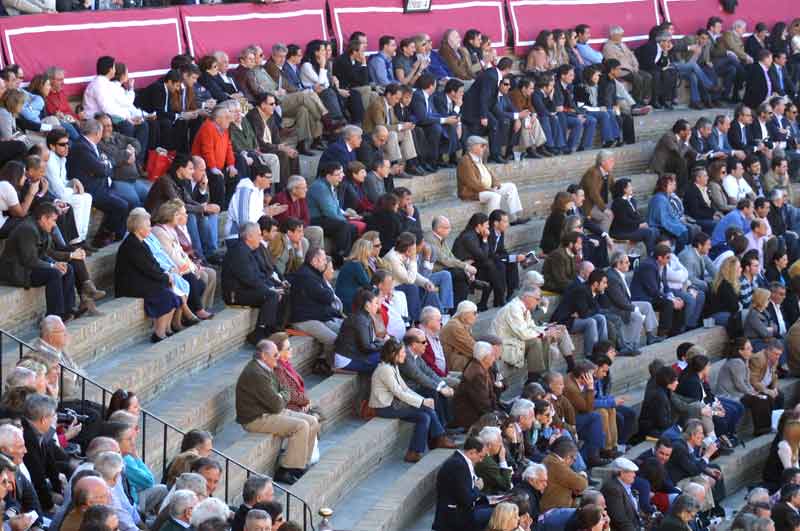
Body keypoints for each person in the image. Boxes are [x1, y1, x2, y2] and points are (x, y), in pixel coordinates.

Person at [235, 339, 319, 485]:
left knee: (312, 421)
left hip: (268, 411)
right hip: (255, 418)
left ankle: (302, 463)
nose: (278, 357)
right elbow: (277, 404)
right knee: (301, 426)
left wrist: (281, 395)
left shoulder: (266, 367)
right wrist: (282, 396)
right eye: (275, 355)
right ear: (263, 355)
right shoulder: (256, 373)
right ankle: (287, 470)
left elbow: (284, 391)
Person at [0, 201, 89, 320]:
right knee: (54, 274)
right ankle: (55, 315)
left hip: (29, 267)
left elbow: (43, 254)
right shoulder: (27, 229)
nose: (54, 224)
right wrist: (52, 267)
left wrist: (55, 263)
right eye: (53, 220)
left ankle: (69, 309)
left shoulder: (43, 228)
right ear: (43, 218)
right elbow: (29, 260)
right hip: (18, 271)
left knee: (68, 268)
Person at [370, 338, 454, 463]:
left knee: (424, 417)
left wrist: (422, 400)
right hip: (385, 408)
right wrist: (422, 403)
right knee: (427, 410)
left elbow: (405, 388)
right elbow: (399, 392)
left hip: (394, 404)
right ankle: (439, 437)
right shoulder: (385, 370)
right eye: (403, 353)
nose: (405, 355)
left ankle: (414, 452)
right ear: (394, 354)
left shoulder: (393, 366)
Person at [67, 118, 129, 248]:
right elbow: (101, 169)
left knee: (127, 201)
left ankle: (114, 235)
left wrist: (106, 165)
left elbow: (104, 165)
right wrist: (108, 165)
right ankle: (105, 237)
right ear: (97, 133)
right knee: (121, 205)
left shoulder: (88, 144)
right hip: (89, 188)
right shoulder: (82, 146)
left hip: (99, 184)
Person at [221, 221, 285, 345]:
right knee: (271, 295)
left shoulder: (248, 250)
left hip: (245, 289)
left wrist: (272, 286)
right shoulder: (239, 252)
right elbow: (249, 279)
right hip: (235, 294)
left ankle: (274, 328)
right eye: (259, 235)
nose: (261, 238)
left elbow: (259, 275)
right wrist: (269, 290)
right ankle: (259, 333)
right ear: (249, 237)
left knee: (281, 291)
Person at [151, 199, 216, 319]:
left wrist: (194, 266)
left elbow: (182, 254)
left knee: (210, 273)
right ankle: (197, 310)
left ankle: (204, 307)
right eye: (180, 213)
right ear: (170, 215)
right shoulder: (160, 232)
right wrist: (192, 269)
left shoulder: (171, 229)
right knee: (200, 276)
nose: (185, 215)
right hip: (171, 269)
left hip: (181, 266)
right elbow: (172, 257)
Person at [491, 287, 574, 378]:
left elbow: (532, 327)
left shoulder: (524, 308)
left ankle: (571, 365)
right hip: (508, 344)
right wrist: (545, 333)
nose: (538, 302)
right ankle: (534, 378)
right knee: (536, 340)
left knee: (559, 329)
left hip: (519, 340)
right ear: (526, 297)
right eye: (537, 299)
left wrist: (546, 328)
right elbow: (524, 334)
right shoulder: (513, 308)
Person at [286, 247, 344, 362]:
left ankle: (324, 360)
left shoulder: (314, 272)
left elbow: (327, 294)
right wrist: (327, 294)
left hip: (316, 316)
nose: (325, 263)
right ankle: (330, 365)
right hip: (303, 320)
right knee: (333, 339)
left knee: (344, 331)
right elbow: (328, 297)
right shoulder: (306, 276)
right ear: (314, 261)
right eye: (323, 260)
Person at [457, 136, 527, 224]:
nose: (484, 148)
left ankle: (514, 218)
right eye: (482, 146)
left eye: (485, 146)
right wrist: (488, 189)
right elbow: (472, 183)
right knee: (495, 196)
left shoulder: (479, 158)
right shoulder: (465, 161)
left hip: (486, 189)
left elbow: (488, 174)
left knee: (510, 186)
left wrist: (495, 183)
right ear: (473, 147)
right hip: (473, 192)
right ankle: (490, 224)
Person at [715, 337, 774, 437]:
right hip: (730, 395)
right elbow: (740, 384)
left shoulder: (742, 361)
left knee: (766, 397)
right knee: (758, 399)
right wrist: (753, 393)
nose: (752, 350)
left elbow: (745, 382)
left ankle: (767, 426)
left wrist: (754, 392)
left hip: (739, 393)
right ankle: (761, 429)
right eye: (748, 348)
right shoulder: (736, 362)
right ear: (740, 351)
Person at [432, 436, 493, 531]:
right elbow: (467, 499)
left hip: (462, 511)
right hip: (454, 517)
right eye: (480, 456)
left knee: (497, 506)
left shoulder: (462, 461)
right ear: (472, 452)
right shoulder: (458, 465)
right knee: (497, 513)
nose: (481, 460)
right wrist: (478, 487)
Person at [45, 129, 93, 245]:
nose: (67, 147)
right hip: (52, 198)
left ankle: (82, 239)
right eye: (62, 145)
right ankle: (74, 242)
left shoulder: (62, 158)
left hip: (63, 193)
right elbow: (59, 191)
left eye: (67, 144)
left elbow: (63, 182)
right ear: (52, 146)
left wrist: (73, 181)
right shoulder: (50, 161)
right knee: (78, 199)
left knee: (87, 197)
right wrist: (73, 189)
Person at [307, 162, 358, 265]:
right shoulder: (320, 187)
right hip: (316, 219)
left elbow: (336, 207)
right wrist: (345, 221)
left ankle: (348, 256)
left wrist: (346, 217)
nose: (342, 176)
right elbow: (330, 212)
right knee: (344, 226)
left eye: (342, 173)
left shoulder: (330, 184)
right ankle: (338, 258)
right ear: (328, 176)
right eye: (338, 174)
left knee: (352, 227)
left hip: (325, 217)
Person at [551, 269, 609, 358]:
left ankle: (602, 351)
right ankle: (590, 355)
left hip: (576, 318)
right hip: (565, 320)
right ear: (596, 283)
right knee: (591, 322)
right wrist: (589, 311)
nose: (606, 285)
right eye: (604, 283)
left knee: (601, 318)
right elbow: (585, 314)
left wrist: (601, 294)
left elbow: (601, 308)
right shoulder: (581, 290)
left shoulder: (594, 291)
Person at [191, 104, 239, 208]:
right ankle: (218, 209)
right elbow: (207, 150)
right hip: (204, 166)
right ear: (217, 119)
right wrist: (213, 168)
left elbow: (229, 147)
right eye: (226, 117)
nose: (230, 119)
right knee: (217, 178)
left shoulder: (224, 128)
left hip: (218, 166)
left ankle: (226, 207)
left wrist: (231, 165)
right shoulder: (208, 127)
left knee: (234, 176)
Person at [333, 288, 385, 373]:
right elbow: (366, 347)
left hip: (356, 356)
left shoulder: (365, 317)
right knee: (388, 356)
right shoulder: (360, 320)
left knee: (391, 354)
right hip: (347, 360)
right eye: (376, 303)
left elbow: (370, 342)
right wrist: (383, 346)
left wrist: (383, 344)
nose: (378, 306)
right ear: (367, 305)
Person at [452, 341, 499, 430]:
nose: (495, 358)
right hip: (470, 416)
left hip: (479, 411)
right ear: (485, 358)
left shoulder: (482, 368)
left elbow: (491, 395)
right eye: (492, 355)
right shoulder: (477, 373)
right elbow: (482, 403)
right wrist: (495, 415)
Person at [602, 26, 653, 104]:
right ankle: (637, 101)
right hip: (621, 71)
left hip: (632, 69)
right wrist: (630, 69)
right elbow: (614, 63)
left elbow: (632, 56)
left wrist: (635, 66)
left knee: (648, 76)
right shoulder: (608, 47)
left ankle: (645, 99)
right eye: (620, 35)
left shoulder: (623, 44)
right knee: (637, 78)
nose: (622, 37)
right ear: (613, 35)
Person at [609, 178, 658, 254]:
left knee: (654, 229)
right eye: (630, 186)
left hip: (630, 228)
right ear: (624, 189)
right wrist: (638, 225)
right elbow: (624, 221)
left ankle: (657, 252)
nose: (632, 188)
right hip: (621, 231)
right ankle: (651, 255)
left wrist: (642, 222)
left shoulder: (631, 200)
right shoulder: (618, 203)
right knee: (648, 232)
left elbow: (635, 215)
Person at [540, 437, 587, 512]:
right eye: (574, 459)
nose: (573, 462)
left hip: (558, 508)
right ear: (568, 457)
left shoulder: (552, 460)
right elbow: (582, 484)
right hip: (553, 511)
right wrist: (583, 475)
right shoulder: (555, 464)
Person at [440, 300, 478, 372]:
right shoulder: (455, 326)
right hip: (452, 363)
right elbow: (472, 348)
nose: (476, 316)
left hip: (457, 358)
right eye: (474, 313)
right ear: (464, 314)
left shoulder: (461, 324)